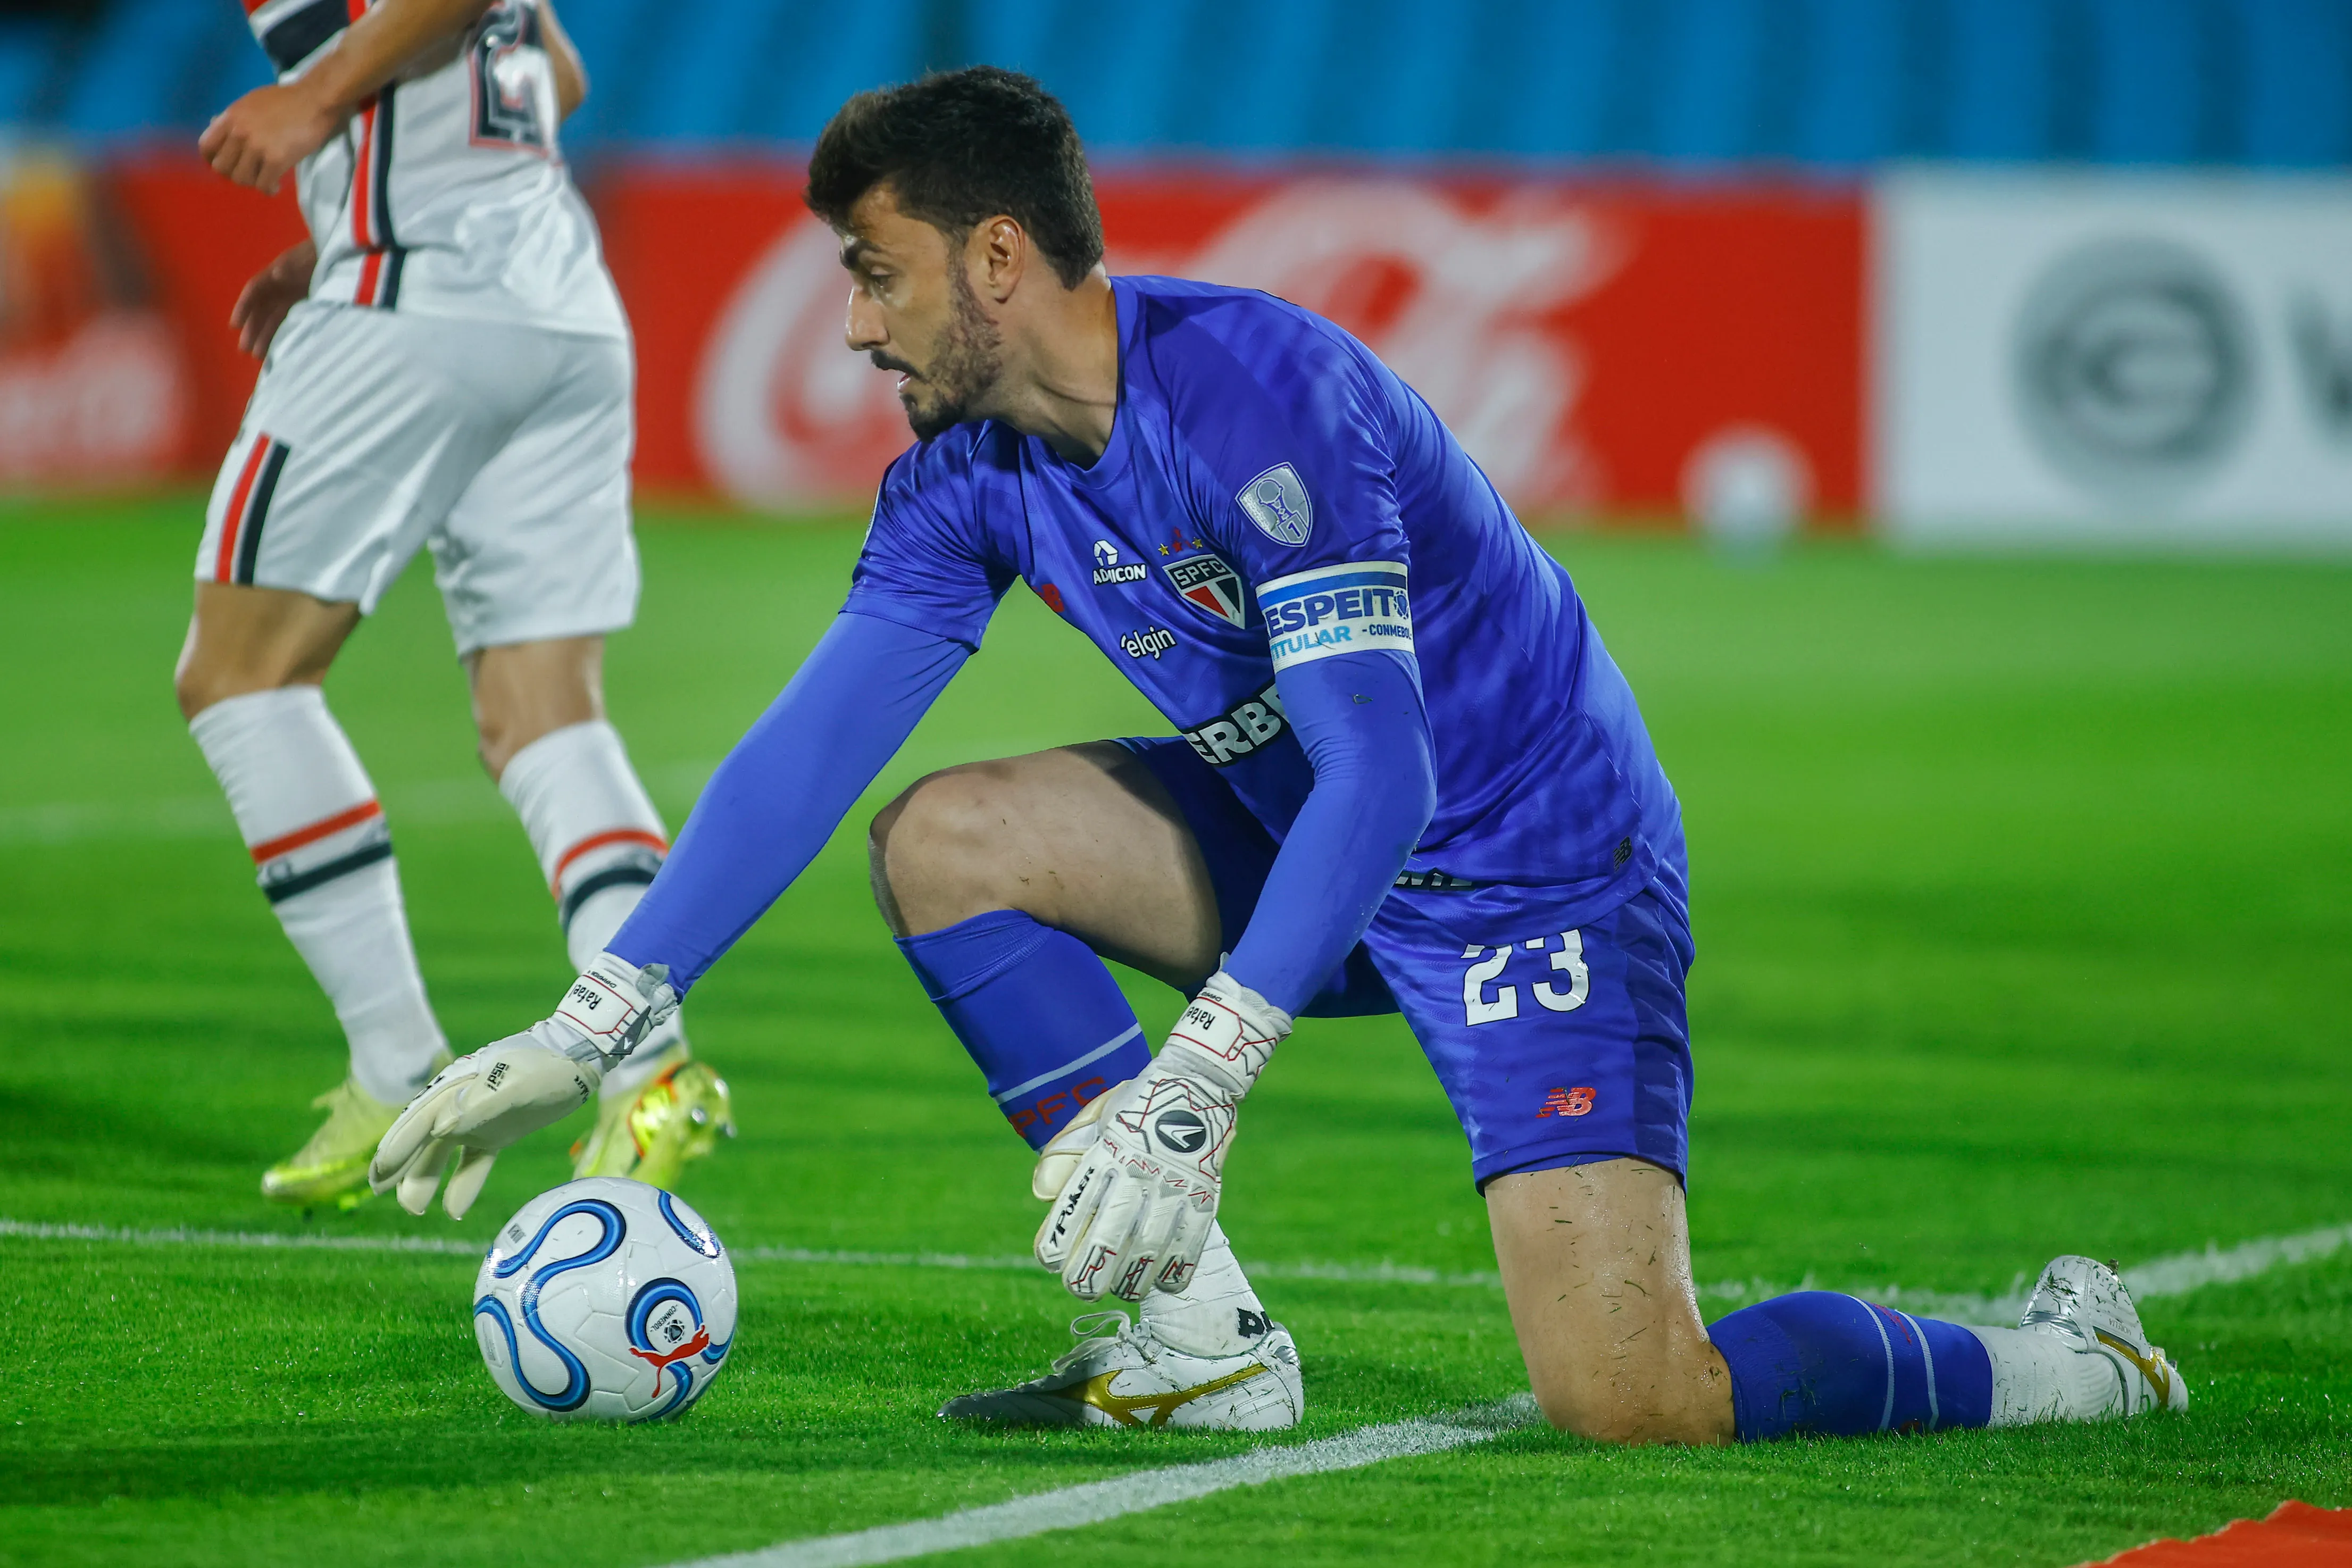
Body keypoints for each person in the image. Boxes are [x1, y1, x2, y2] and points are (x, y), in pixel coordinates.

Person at [370, 67, 2189, 1441]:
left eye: (875, 272)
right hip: (1291, 834)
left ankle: (2062, 1356)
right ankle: (1201, 1342)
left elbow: (1385, 774)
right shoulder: (968, 480)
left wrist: (1198, 1080)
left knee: (1633, 1395)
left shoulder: (1263, 398)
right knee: (947, 837)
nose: (851, 320)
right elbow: (812, 741)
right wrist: (596, 1020)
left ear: (996, 259)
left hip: (1530, 866)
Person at [180, 0, 730, 1211]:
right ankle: (650, 1071)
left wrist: (318, 111)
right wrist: (339, 217)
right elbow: (559, 74)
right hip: (561, 308)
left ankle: (394, 1064)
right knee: (548, 717)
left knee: (241, 677)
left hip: (412, 304)